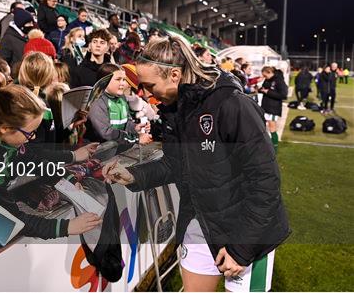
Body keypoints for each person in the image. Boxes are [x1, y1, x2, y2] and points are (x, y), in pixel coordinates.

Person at [102, 36, 290, 292]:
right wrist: (133, 175)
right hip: (199, 222)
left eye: (148, 85)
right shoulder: (173, 112)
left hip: (248, 230)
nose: (144, 94)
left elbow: (265, 182)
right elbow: (174, 165)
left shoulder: (232, 104)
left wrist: (242, 246)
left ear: (175, 75)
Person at [0, 83, 102, 239]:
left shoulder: (7, 134)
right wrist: (67, 227)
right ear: (5, 128)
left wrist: (66, 178)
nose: (32, 138)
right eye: (29, 133)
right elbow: (10, 218)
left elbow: (32, 160)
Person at [86, 63, 151, 150]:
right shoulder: (97, 102)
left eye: (124, 80)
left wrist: (135, 127)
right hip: (101, 153)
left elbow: (126, 122)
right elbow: (106, 133)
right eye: (118, 79)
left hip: (119, 149)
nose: (123, 84)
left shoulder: (122, 97)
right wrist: (136, 139)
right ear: (104, 81)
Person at [259, 66, 288, 153]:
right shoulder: (269, 79)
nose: (264, 77)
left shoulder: (279, 80)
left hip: (273, 107)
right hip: (266, 106)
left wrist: (268, 92)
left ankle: (274, 148)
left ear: (269, 72)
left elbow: (283, 95)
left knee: (272, 127)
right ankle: (265, 145)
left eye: (265, 75)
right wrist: (261, 89)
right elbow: (265, 88)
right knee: (263, 126)